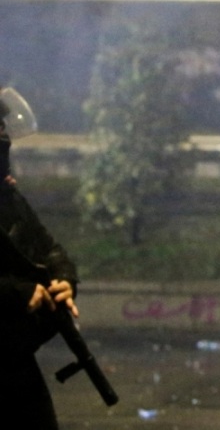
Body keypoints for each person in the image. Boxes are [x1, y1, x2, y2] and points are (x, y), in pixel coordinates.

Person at [0, 87, 80, 430]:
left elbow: (45, 246)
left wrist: (63, 278)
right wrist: (12, 292)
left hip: (13, 357)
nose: (4, 137)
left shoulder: (7, 194)